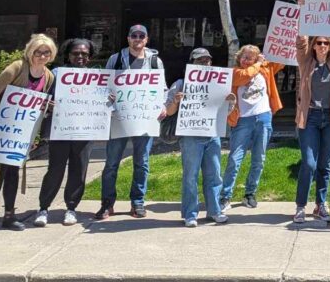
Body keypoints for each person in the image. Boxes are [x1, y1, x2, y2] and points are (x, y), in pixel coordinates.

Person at [0, 33, 57, 233]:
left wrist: (34, 137)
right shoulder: (17, 68)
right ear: (30, 51)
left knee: (13, 171)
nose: (42, 56)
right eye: (38, 52)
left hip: (21, 130)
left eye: (46, 53)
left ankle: (9, 215)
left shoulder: (48, 76)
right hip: (0, 125)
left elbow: (37, 108)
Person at [293, 0, 330, 224]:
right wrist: (302, 9)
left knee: (325, 164)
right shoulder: (305, 62)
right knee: (308, 163)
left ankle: (321, 204)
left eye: (325, 43)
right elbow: (300, 40)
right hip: (309, 118)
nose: (321, 46)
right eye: (318, 43)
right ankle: (300, 206)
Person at [97, 24, 164, 220]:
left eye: (141, 35)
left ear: (146, 39)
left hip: (145, 119)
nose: (137, 39)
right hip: (119, 119)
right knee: (111, 163)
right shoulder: (115, 59)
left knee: (141, 162)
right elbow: (104, 86)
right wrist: (106, 102)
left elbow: (162, 88)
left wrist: (161, 106)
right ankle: (107, 204)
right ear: (128, 38)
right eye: (133, 35)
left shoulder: (154, 61)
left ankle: (138, 202)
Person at [165, 47, 236, 227]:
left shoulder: (219, 84)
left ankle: (214, 211)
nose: (205, 63)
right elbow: (168, 111)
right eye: (200, 61)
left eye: (207, 60)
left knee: (214, 175)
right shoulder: (180, 84)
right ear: (192, 63)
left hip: (212, 135)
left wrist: (231, 102)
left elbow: (225, 113)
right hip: (190, 136)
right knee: (190, 176)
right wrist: (176, 101)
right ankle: (190, 214)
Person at [34, 39, 96, 227]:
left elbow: (103, 101)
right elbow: (42, 97)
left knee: (79, 169)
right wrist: (48, 104)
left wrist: (107, 98)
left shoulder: (96, 77)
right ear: (67, 55)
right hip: (60, 130)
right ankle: (44, 207)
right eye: (76, 53)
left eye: (84, 54)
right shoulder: (56, 75)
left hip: (84, 131)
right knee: (55, 169)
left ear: (89, 57)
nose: (80, 57)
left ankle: (71, 208)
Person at [220, 45, 284, 213]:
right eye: (243, 56)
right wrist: (258, 63)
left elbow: (282, 60)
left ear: (256, 59)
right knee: (235, 158)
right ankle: (225, 195)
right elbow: (245, 76)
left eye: (249, 57)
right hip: (242, 121)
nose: (245, 60)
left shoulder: (265, 69)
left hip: (263, 118)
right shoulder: (235, 72)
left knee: (259, 158)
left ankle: (250, 193)